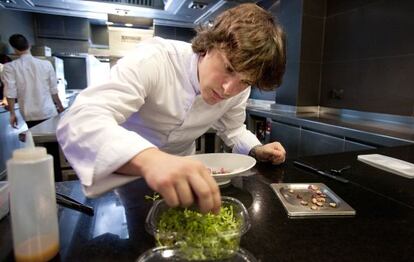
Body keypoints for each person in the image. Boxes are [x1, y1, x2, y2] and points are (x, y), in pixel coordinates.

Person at [57, 3, 286, 214]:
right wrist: (151, 160)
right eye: (228, 68)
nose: (228, 89)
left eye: (245, 81)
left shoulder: (238, 90)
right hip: (128, 174)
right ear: (209, 46)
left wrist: (256, 149)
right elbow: (80, 119)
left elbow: (233, 129)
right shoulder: (155, 59)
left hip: (186, 182)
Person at [2, 34, 64, 128]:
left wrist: (12, 113)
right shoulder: (46, 64)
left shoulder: (10, 67)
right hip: (48, 111)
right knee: (53, 138)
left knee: (36, 139)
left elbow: (10, 92)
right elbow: (53, 89)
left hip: (29, 114)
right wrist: (60, 106)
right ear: (29, 45)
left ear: (14, 49)